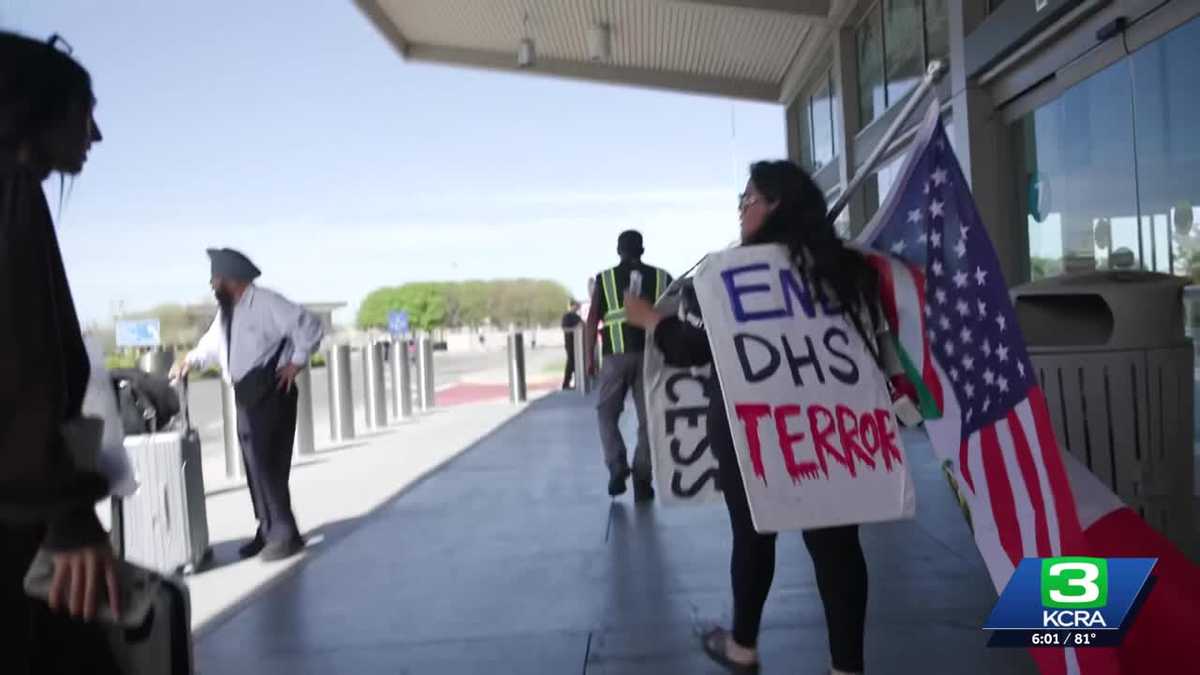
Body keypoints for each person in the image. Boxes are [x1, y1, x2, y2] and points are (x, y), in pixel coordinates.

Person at [624, 161, 883, 674]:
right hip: (832, 429)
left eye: (747, 200)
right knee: (837, 548)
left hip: (753, 431)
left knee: (752, 534)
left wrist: (651, 318)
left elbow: (690, 348)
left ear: (775, 206)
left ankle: (742, 646)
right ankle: (847, 666)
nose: (741, 211)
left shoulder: (725, 275)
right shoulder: (849, 268)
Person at [0, 31, 124, 674]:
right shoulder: (12, 189)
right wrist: (66, 515)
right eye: (84, 111)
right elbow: (16, 366)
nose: (94, 134)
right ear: (36, 108)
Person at [173, 249, 324, 562]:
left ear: (233, 280)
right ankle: (267, 528)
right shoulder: (229, 311)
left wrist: (296, 363)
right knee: (254, 466)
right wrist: (190, 360)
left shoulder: (267, 302)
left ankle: (285, 534)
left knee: (269, 465)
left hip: (272, 392)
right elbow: (212, 345)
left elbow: (309, 326)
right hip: (247, 395)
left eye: (216, 280)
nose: (213, 285)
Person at [584, 230, 673, 502]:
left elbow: (591, 320)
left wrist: (589, 357)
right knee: (649, 420)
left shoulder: (606, 278)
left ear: (618, 250)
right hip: (651, 355)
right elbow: (672, 315)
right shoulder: (662, 277)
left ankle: (616, 464)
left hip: (616, 356)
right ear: (642, 250)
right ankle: (643, 481)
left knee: (606, 413)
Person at [560, 300, 582, 389]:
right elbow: (565, 329)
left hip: (578, 344)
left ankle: (578, 382)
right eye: (576, 306)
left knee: (577, 363)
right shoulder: (567, 316)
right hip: (570, 343)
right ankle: (566, 383)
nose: (577, 308)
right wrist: (575, 328)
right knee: (570, 363)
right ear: (572, 306)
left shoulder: (577, 317)